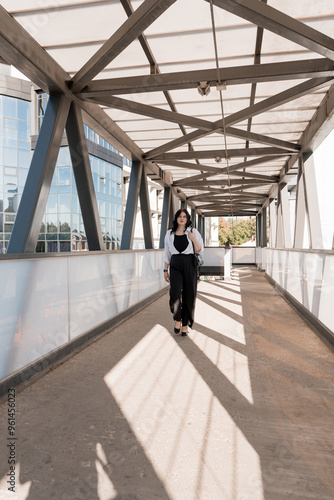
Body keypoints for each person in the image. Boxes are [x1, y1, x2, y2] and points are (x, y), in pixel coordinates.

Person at [163, 209, 204, 336]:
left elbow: (199, 249)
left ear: (187, 219)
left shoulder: (193, 232)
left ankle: (185, 324)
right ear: (176, 218)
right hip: (175, 264)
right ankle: (177, 319)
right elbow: (167, 253)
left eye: (184, 216)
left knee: (189, 295)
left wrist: (192, 238)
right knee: (174, 294)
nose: (182, 218)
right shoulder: (169, 233)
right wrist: (165, 270)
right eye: (180, 216)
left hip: (189, 264)